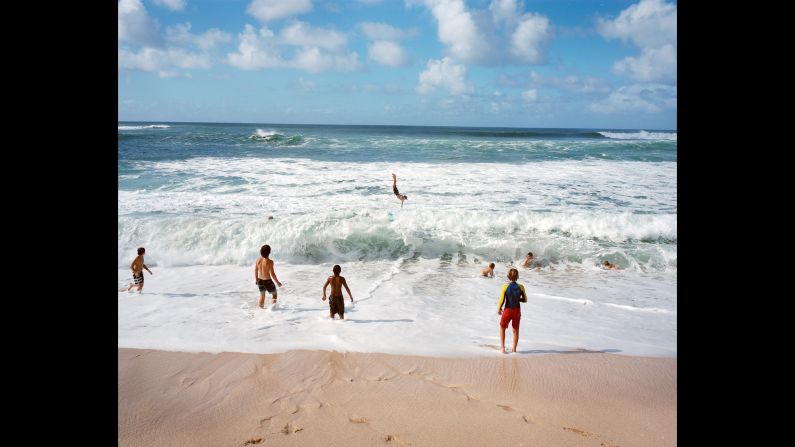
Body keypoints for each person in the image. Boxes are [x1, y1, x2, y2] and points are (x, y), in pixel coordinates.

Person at [497, 268, 527, 354]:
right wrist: (518, 299)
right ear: (517, 276)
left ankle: (502, 348)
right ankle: (514, 349)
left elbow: (502, 299)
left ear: (508, 276)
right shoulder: (521, 287)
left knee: (502, 327)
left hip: (507, 310)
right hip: (517, 311)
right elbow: (525, 300)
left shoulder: (505, 287)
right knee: (515, 330)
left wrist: (499, 308)